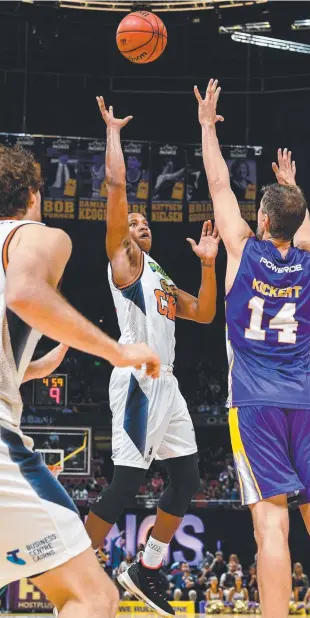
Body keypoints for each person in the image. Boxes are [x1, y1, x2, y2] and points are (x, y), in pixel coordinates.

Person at [194, 78, 310, 618]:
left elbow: (219, 182)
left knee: (271, 525)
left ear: (262, 220)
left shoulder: (241, 251)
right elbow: (303, 228)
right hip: (308, 403)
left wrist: (206, 126)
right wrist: (293, 188)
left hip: (255, 401)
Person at [0, 144, 160, 618]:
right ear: (32, 194)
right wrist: (117, 350)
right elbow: (26, 293)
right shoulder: (35, 235)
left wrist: (29, 369)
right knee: (92, 597)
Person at [85, 97, 219, 617]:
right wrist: (113, 134)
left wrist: (207, 265)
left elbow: (205, 314)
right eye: (132, 220)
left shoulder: (159, 276)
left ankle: (147, 566)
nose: (138, 221)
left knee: (186, 478)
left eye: (143, 220)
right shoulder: (125, 264)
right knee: (125, 484)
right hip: (140, 382)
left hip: (170, 385)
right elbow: (117, 189)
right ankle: (68, 571)